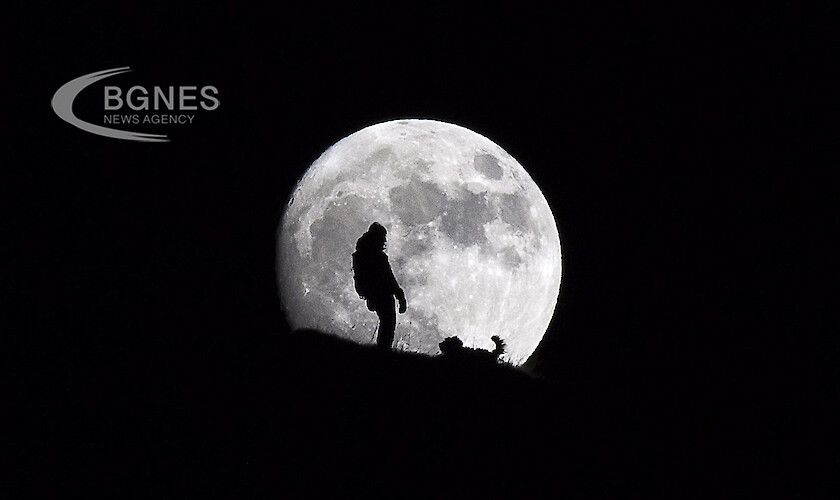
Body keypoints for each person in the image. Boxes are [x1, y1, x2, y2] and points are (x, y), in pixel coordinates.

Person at [352, 222, 407, 350]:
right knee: (388, 322)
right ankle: (383, 351)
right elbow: (388, 277)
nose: (384, 240)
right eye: (383, 237)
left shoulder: (361, 254)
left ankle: (382, 350)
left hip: (373, 293)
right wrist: (400, 295)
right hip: (381, 293)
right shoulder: (376, 256)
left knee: (386, 322)